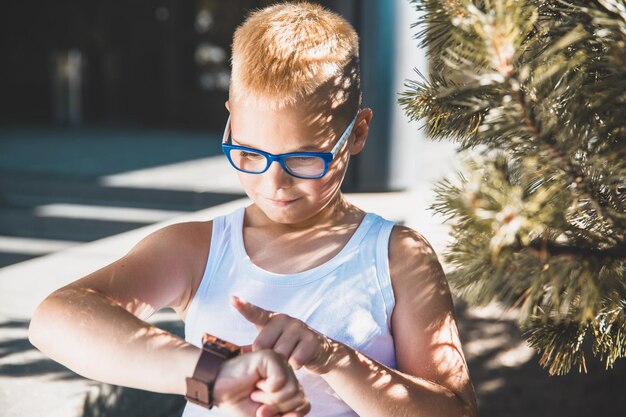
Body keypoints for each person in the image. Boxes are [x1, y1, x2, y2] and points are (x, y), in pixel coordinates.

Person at [29, 2, 478, 417]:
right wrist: (216, 374)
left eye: (304, 159)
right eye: (248, 153)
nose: (273, 182)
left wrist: (335, 359)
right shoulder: (198, 248)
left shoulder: (398, 257)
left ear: (357, 133)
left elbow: (455, 411)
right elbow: (54, 319)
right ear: (230, 119)